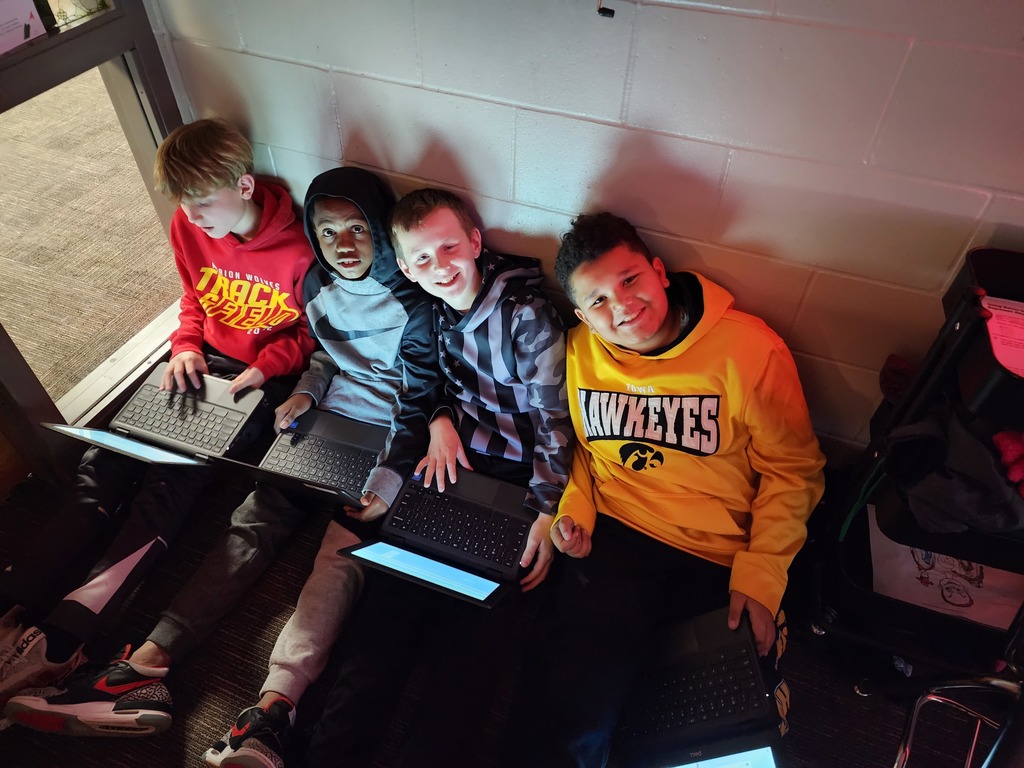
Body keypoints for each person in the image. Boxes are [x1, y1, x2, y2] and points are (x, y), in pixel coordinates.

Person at [4, 167, 441, 762]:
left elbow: (420, 398)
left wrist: (390, 479)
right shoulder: (318, 282)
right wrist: (306, 392)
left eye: (358, 229)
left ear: (381, 231)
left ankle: (273, 708)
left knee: (338, 560)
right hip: (321, 424)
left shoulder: (417, 302)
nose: (343, 245)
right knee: (250, 526)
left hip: (384, 441)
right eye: (328, 231)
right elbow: (325, 355)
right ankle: (143, 668)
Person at [0, 118, 315, 708]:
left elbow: (309, 335)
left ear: (244, 186)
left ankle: (63, 639)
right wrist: (185, 346)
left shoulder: (301, 248)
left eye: (203, 202)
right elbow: (193, 297)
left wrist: (265, 368)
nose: (192, 216)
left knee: (166, 488)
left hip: (254, 382)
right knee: (103, 468)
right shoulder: (188, 225)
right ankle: (12, 605)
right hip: (197, 363)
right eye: (183, 204)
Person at [521, 212, 826, 767]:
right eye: (598, 300)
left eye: (629, 280)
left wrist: (762, 576)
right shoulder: (579, 351)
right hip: (617, 536)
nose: (621, 306)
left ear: (659, 272)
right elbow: (583, 452)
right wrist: (576, 509)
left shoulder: (751, 351)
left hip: (717, 552)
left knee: (693, 726)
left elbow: (794, 473)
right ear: (582, 315)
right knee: (571, 709)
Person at [303, 187, 573, 766]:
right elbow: (424, 387)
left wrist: (547, 510)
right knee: (387, 610)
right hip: (451, 466)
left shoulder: (526, 316)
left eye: (449, 247)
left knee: (470, 643)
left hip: (519, 482)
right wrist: (440, 418)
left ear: (475, 242)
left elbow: (557, 421)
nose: (440, 266)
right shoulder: (429, 310)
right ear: (405, 267)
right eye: (422, 258)